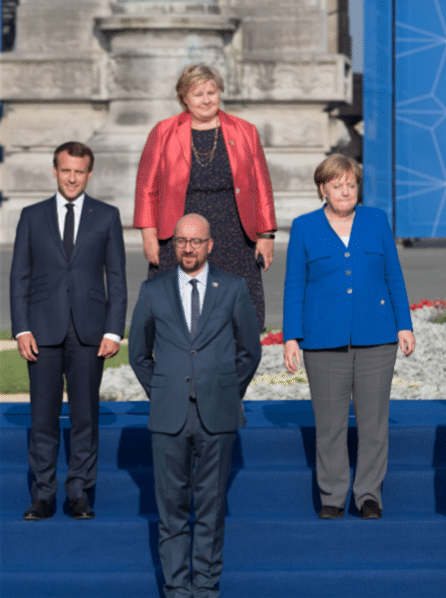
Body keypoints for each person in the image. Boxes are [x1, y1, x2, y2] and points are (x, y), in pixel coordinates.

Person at [128, 214, 261, 598]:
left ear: (209, 245)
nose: (188, 248)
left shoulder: (233, 288)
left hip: (216, 415)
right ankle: (175, 589)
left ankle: (204, 588)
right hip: (169, 416)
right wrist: (163, 390)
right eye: (182, 241)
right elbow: (138, 353)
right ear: (175, 246)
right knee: (171, 512)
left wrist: (223, 391)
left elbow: (249, 351)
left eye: (196, 241)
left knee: (210, 509)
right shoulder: (153, 290)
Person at [282, 154, 415, 520]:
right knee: (329, 425)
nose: (345, 191)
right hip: (323, 341)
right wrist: (292, 336)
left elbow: (393, 274)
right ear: (322, 189)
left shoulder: (376, 220)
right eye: (337, 185)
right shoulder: (304, 227)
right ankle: (332, 495)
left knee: (373, 424)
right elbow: (294, 284)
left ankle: (369, 494)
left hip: (377, 337)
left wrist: (404, 324)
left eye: (351, 184)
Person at [10, 141, 127, 521]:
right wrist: (21, 327)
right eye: (66, 170)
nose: (72, 177)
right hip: (41, 331)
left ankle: (79, 492)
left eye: (79, 171)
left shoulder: (107, 216)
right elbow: (19, 279)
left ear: (89, 173)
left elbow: (119, 279)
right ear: (55, 170)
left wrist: (114, 331)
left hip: (90, 332)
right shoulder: (31, 215)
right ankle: (43, 495)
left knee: (85, 417)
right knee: (42, 418)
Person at [134, 63, 278, 330]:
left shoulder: (245, 130)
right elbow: (146, 187)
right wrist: (148, 234)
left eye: (211, 92)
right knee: (178, 313)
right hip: (178, 232)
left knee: (235, 316)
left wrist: (267, 234)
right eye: (198, 94)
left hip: (234, 233)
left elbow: (261, 186)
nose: (206, 100)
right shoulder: (163, 131)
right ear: (184, 98)